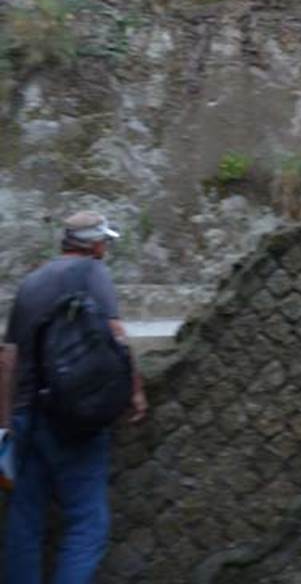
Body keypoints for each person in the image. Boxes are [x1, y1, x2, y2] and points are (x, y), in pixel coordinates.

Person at [0, 210, 148, 584]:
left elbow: (8, 359)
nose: (106, 249)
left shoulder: (32, 282)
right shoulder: (92, 273)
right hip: (73, 418)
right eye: (105, 242)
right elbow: (116, 337)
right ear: (95, 244)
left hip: (26, 417)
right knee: (87, 522)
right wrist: (136, 391)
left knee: (24, 523)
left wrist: (4, 425)